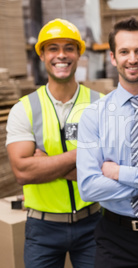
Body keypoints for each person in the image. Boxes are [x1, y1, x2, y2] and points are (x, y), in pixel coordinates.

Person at [76, 17, 138, 268]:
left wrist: (119, 173)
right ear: (113, 57)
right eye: (124, 52)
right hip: (114, 237)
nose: (132, 59)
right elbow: (89, 187)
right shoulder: (93, 115)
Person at [6, 18, 103, 268]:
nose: (61, 55)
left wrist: (46, 163)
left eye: (69, 47)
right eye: (53, 48)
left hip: (93, 224)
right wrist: (82, 155)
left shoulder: (101, 105)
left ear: (79, 53)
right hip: (42, 229)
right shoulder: (24, 109)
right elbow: (22, 172)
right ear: (42, 55)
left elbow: (108, 171)